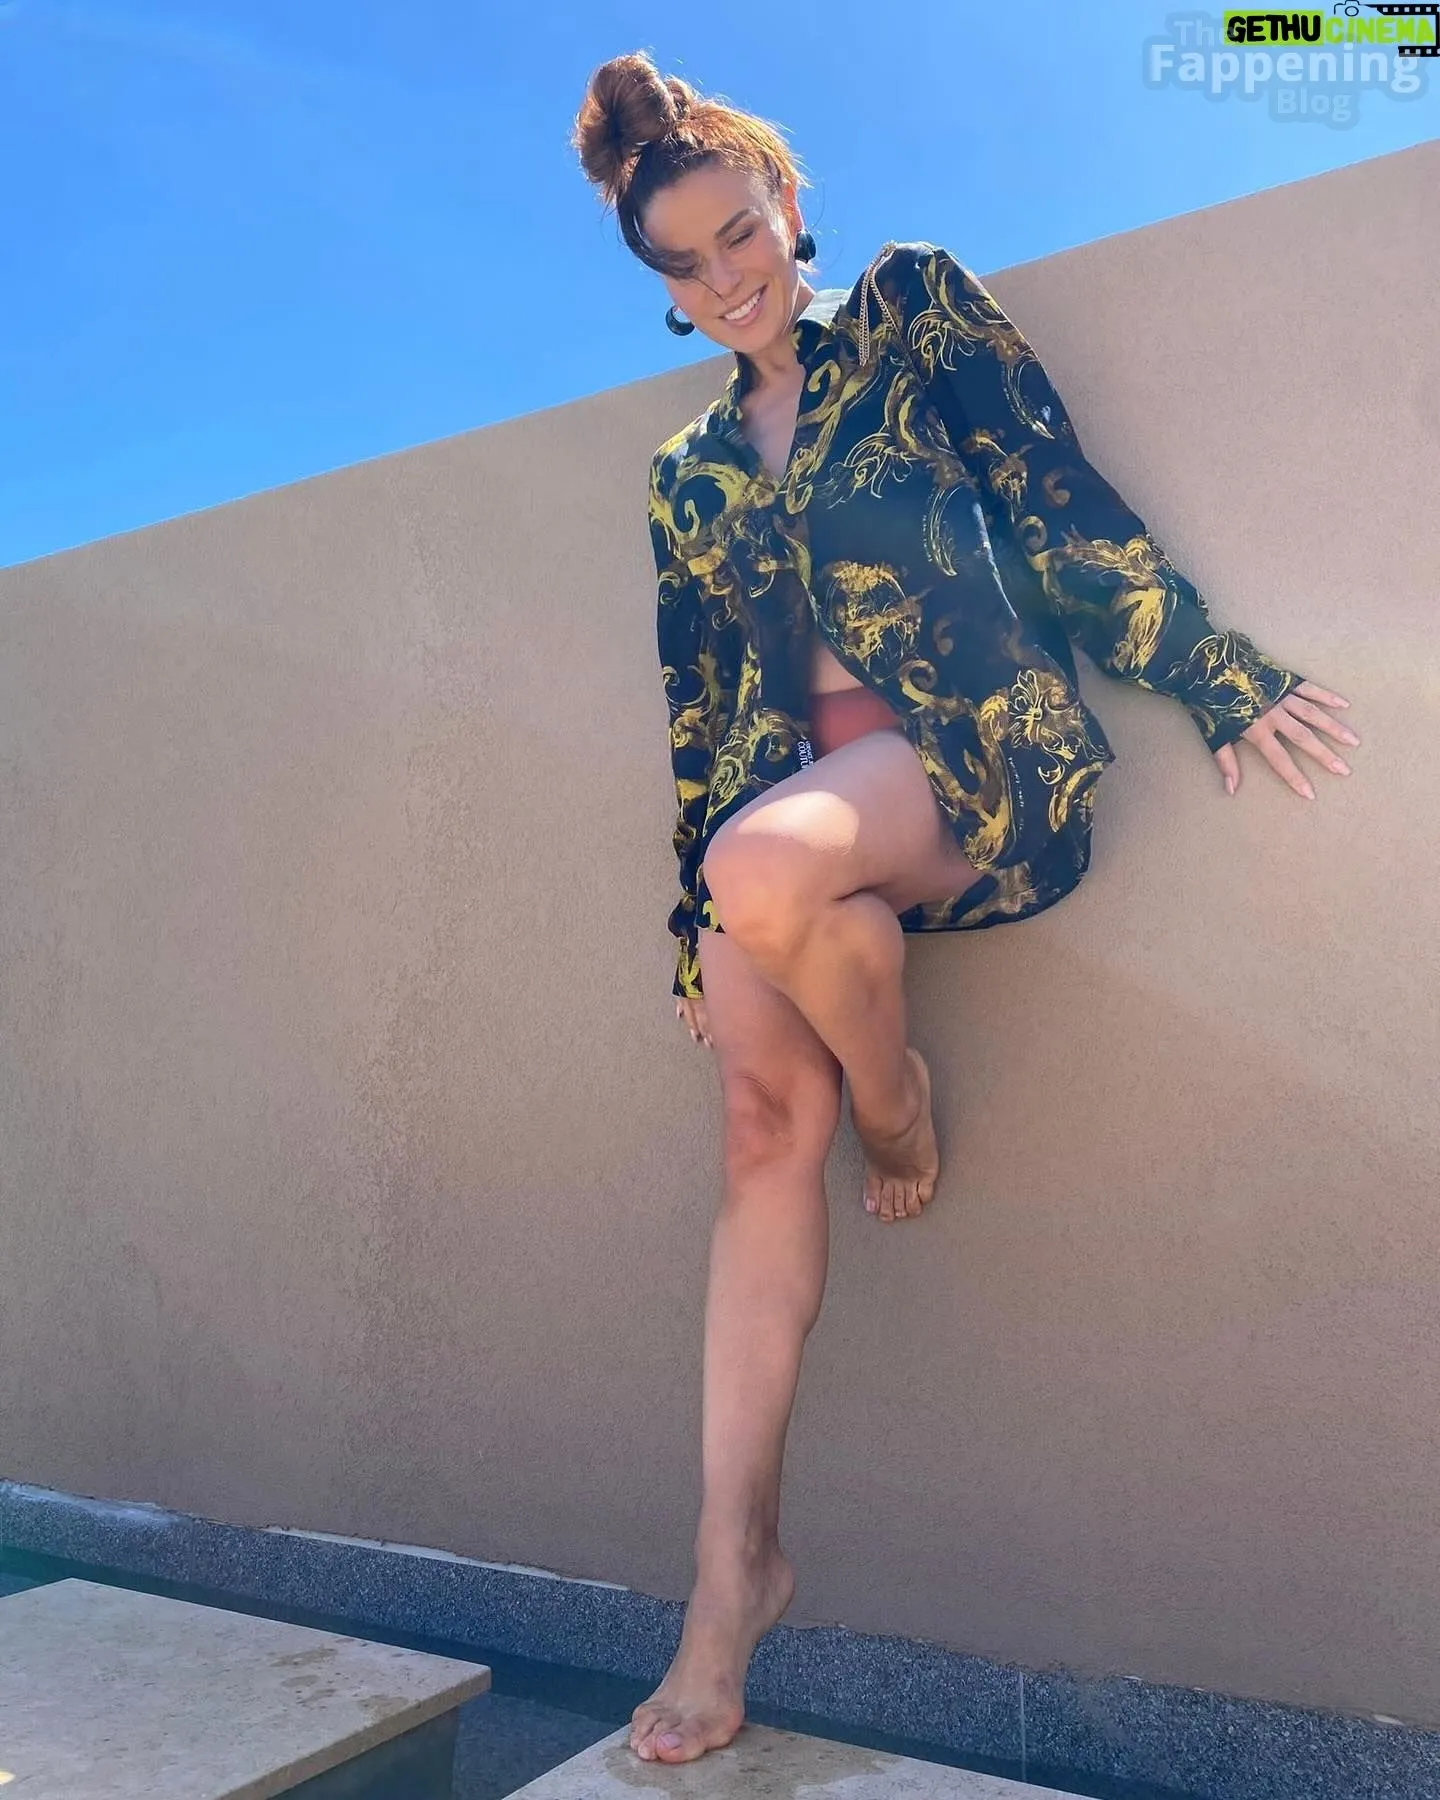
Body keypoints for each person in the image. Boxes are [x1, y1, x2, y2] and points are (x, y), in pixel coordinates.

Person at [570, 50, 1358, 1768]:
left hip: (977, 765)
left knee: (767, 877)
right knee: (758, 1107)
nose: (726, 279)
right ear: (663, 289)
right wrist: (690, 928)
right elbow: (704, 711)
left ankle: (901, 1097)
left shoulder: (913, 310)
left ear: (786, 203)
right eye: (686, 267)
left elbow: (1059, 502)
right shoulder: (683, 477)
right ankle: (730, 1575)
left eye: (739, 233)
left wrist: (1218, 675)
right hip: (798, 830)